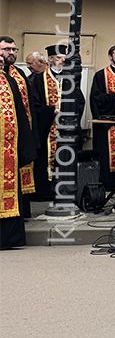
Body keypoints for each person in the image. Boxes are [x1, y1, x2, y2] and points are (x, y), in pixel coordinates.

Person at [1, 36, 36, 249]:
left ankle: (8, 238)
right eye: (6, 49)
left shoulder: (12, 79)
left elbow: (22, 114)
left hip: (8, 147)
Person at [89, 44, 115, 190]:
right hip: (109, 123)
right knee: (107, 155)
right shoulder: (101, 75)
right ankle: (109, 185)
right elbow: (96, 98)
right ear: (110, 57)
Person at [27, 44, 63, 198]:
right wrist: (51, 111)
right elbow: (34, 105)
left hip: (64, 127)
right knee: (45, 157)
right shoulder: (37, 80)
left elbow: (80, 101)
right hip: (47, 128)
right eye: (59, 57)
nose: (63, 60)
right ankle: (45, 190)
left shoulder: (71, 78)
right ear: (50, 59)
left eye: (64, 58)